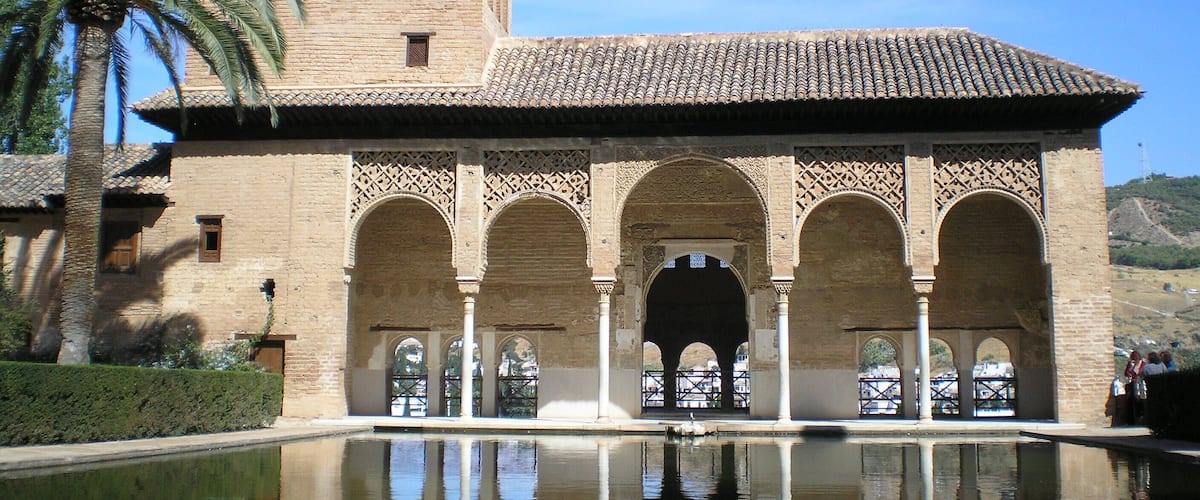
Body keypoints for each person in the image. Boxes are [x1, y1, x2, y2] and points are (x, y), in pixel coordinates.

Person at [1124, 350, 1145, 425]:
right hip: (1131, 386)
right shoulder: (1130, 364)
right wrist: (1130, 368)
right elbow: (1126, 374)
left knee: (1140, 401)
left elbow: (1141, 374)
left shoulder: (1143, 364)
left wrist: (1136, 368)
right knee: (1129, 401)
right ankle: (1130, 420)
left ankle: (1141, 417)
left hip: (1141, 386)